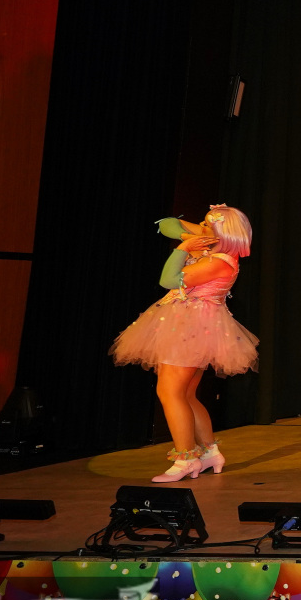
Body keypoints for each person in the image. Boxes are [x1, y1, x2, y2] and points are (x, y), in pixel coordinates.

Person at [111, 206, 258, 482]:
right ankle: (210, 453)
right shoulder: (212, 245)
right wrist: (188, 235)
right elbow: (166, 223)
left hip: (191, 327)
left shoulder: (220, 261)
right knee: (187, 395)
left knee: (169, 392)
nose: (201, 225)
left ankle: (185, 459)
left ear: (222, 232)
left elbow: (168, 280)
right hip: (190, 324)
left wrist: (183, 248)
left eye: (208, 224)